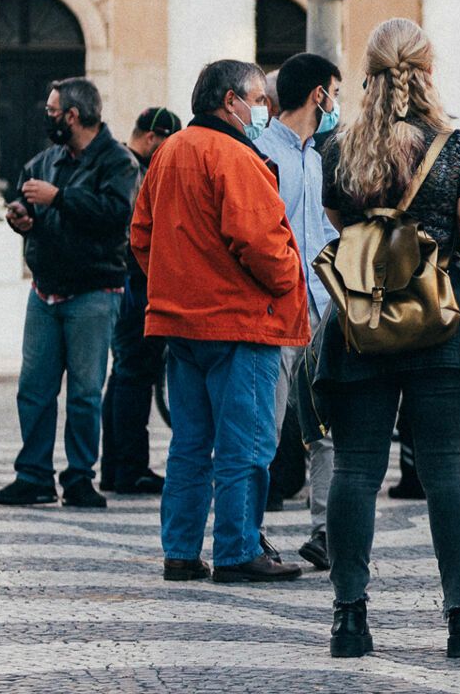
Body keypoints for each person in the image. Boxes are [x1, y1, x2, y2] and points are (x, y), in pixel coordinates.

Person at [315, 19, 460, 660]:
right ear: (427, 70)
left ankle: (350, 618)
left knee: (354, 468)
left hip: (364, 325)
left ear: (369, 71)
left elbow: (348, 230)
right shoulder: (455, 148)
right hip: (442, 325)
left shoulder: (339, 149)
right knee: (450, 469)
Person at [131, 60, 307, 586]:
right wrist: (287, 278)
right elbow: (261, 242)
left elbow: (142, 236)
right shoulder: (234, 156)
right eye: (258, 99)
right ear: (229, 101)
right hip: (239, 323)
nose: (265, 110)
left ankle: (181, 552)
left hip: (180, 325)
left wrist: (178, 281)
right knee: (245, 446)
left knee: (189, 444)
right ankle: (237, 550)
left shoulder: (169, 153)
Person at [0, 77, 138, 509]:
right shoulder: (45, 160)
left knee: (85, 392)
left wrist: (59, 198)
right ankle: (33, 474)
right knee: (34, 388)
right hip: (46, 288)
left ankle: (78, 478)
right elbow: (29, 202)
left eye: (53, 111)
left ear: (73, 116)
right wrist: (24, 218)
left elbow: (115, 215)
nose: (47, 118)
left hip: (93, 290)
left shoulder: (118, 163)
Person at [254, 54, 340, 570]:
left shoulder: (315, 157)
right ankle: (250, 534)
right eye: (334, 92)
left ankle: (327, 531)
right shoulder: (262, 155)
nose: (336, 105)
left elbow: (320, 233)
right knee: (263, 428)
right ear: (317, 95)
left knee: (326, 426)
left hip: (322, 309)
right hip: (275, 312)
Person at [102, 107, 182, 496]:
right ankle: (130, 467)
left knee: (124, 374)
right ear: (153, 138)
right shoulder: (133, 170)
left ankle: (115, 466)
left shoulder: (120, 163)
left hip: (125, 280)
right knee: (135, 372)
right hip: (136, 281)